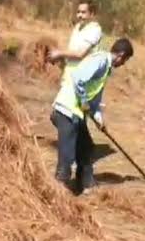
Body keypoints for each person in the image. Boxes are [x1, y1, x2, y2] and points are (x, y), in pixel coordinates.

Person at [49, 38, 135, 194]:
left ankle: (86, 185)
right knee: (67, 157)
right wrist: (83, 102)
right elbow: (78, 78)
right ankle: (57, 192)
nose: (123, 64)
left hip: (76, 113)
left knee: (86, 148)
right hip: (66, 110)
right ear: (121, 55)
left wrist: (99, 119)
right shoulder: (100, 60)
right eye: (125, 60)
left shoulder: (106, 68)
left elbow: (94, 100)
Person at [47, 0, 103, 73]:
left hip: (83, 75)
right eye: (78, 12)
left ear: (91, 14)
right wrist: (60, 58)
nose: (79, 15)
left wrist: (59, 53)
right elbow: (72, 51)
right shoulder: (77, 27)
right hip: (70, 73)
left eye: (83, 12)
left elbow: (80, 54)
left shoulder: (95, 29)